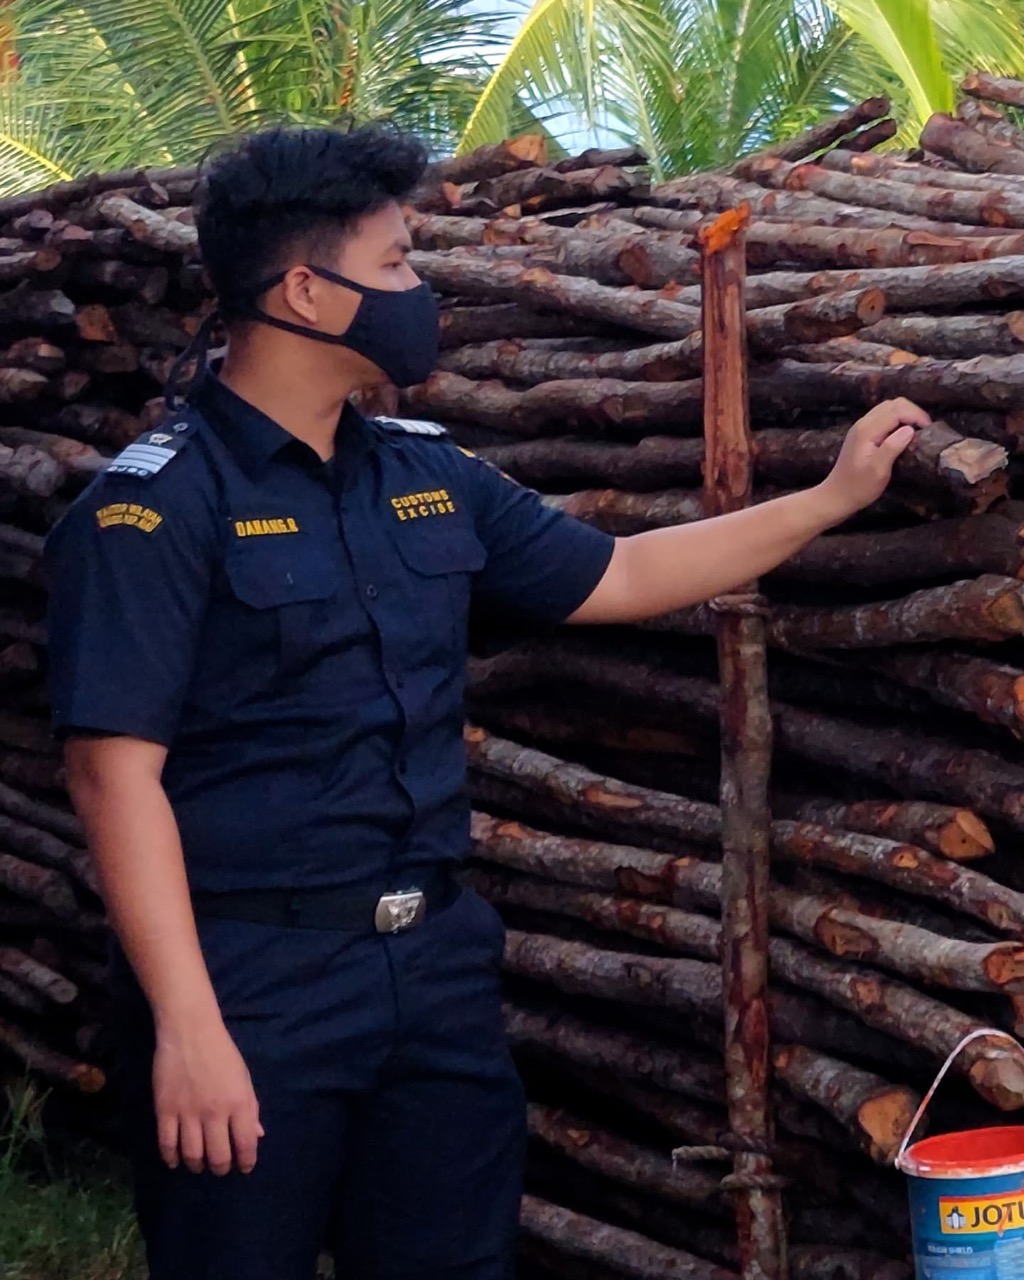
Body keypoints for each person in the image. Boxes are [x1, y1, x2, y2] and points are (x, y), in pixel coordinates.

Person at [45, 122, 930, 1280]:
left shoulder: (427, 473)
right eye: (400, 263)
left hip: (434, 967)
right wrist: (191, 1028)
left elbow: (619, 573)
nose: (422, 292)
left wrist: (827, 499)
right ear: (307, 290)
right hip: (249, 980)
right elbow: (114, 775)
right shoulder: (150, 514)